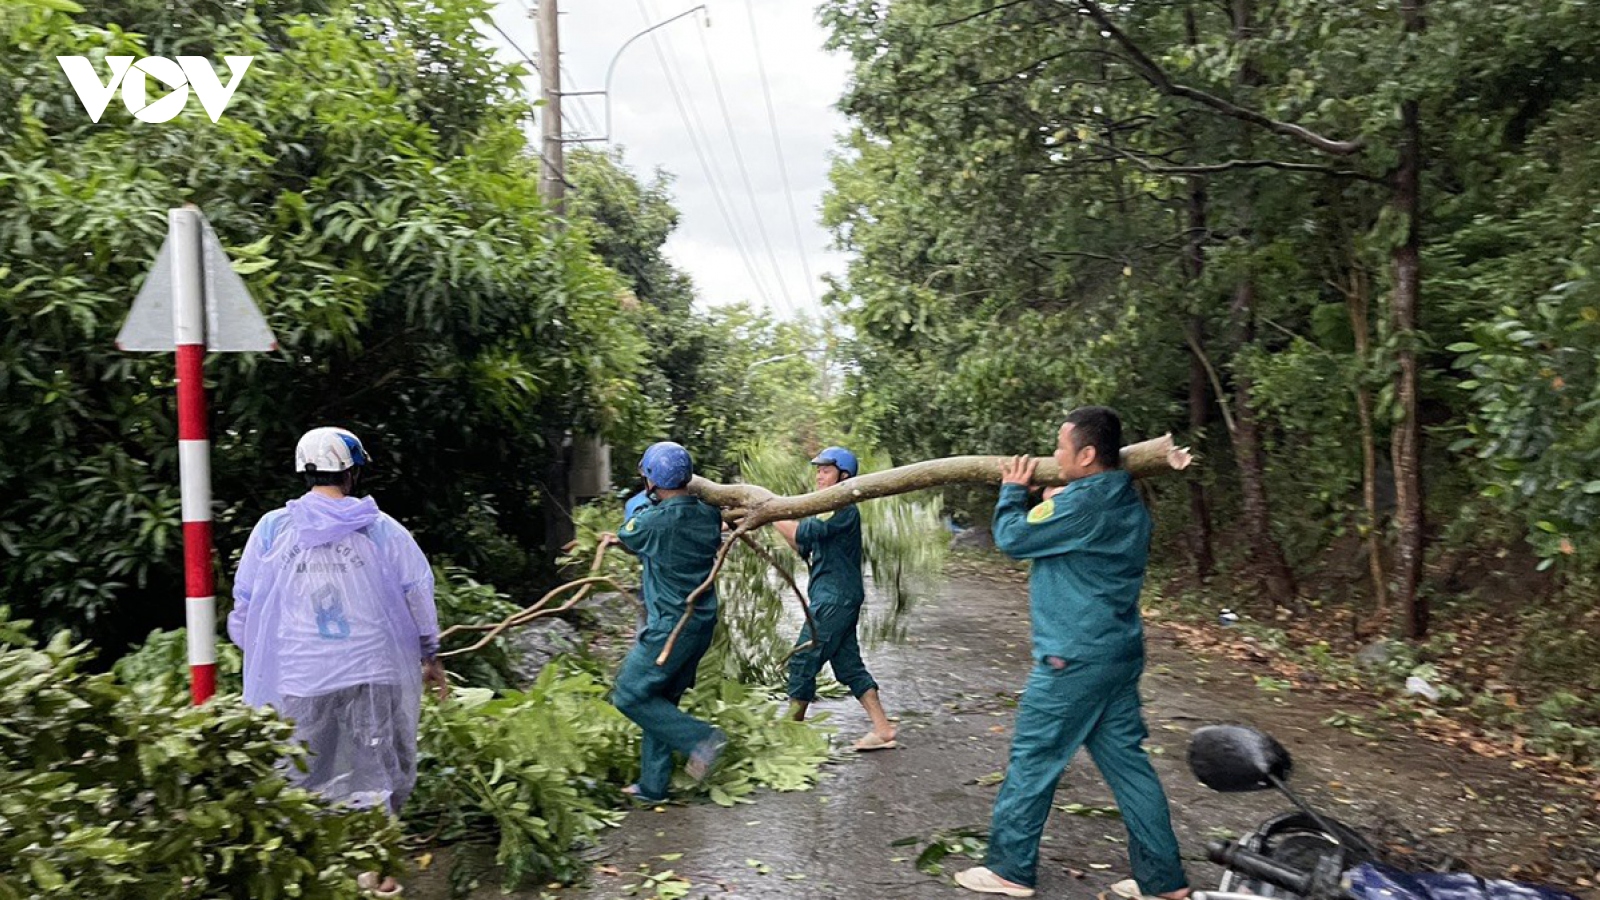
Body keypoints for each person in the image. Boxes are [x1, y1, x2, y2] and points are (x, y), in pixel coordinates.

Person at [955, 407, 1189, 900]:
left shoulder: (1084, 506)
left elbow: (1014, 538)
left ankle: (1009, 870)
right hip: (1117, 655)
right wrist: (1048, 500)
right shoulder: (1125, 500)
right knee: (1129, 766)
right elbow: (1062, 529)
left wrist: (1012, 492)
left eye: (1061, 447)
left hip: (1072, 660)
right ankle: (1163, 882)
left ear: (1086, 454)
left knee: (1033, 759)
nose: (1054, 455)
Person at [229, 426, 447, 898]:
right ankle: (379, 874)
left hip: (302, 677)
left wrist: (258, 653)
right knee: (378, 771)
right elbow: (417, 596)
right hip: (375, 673)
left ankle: (314, 871)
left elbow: (245, 606)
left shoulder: (272, 529)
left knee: (303, 773)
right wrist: (430, 655)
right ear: (352, 471)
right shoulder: (381, 528)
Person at [600, 441, 728, 803]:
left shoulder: (653, 521)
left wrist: (640, 503)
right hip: (699, 624)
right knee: (659, 700)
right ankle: (653, 787)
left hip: (669, 628)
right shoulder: (709, 515)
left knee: (628, 693)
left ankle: (702, 739)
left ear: (652, 481)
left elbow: (630, 531)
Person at [771, 446, 897, 752]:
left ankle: (791, 737)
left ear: (843, 475)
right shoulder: (829, 509)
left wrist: (768, 510)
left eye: (825, 470)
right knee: (848, 665)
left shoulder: (841, 508)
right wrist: (764, 517)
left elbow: (801, 533)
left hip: (834, 599)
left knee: (803, 660)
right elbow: (801, 545)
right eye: (817, 470)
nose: (818, 475)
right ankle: (883, 730)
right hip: (838, 597)